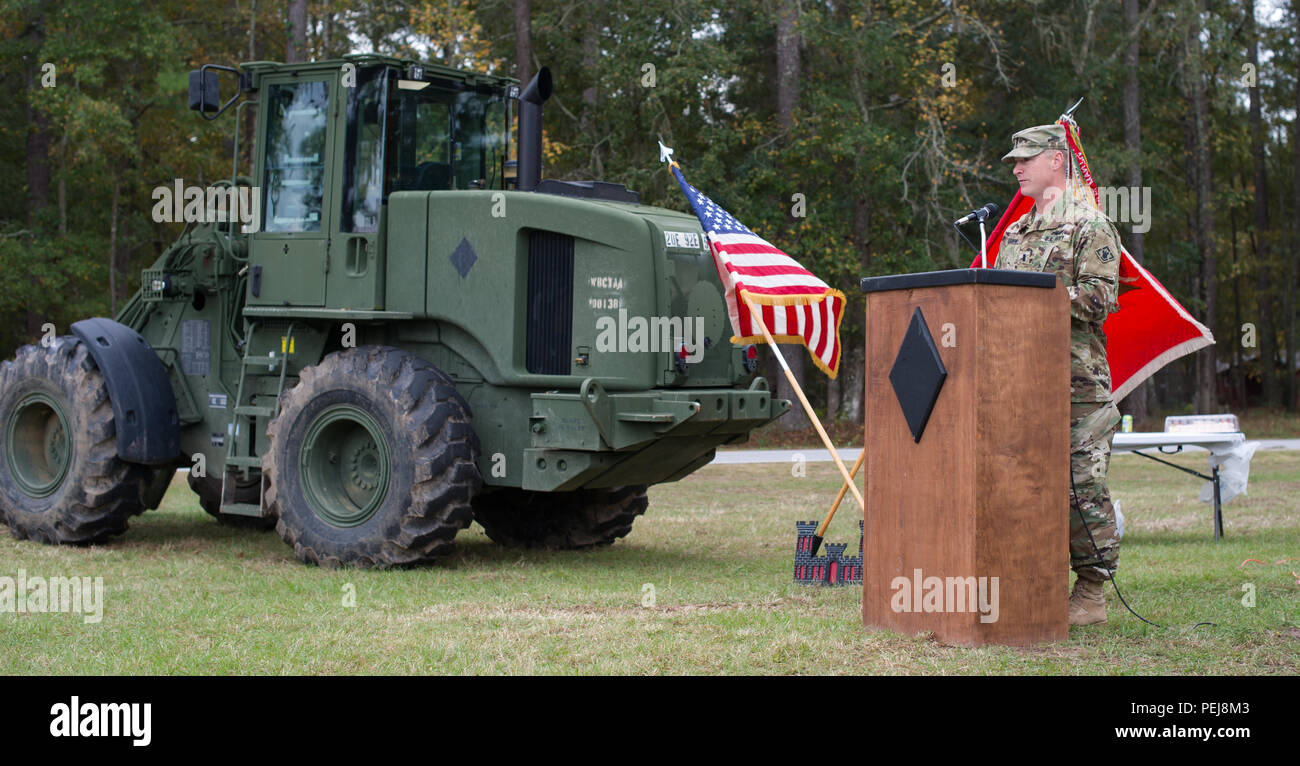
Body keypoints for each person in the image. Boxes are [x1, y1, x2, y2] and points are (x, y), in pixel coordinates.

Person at [995, 123, 1122, 626]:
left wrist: (1035, 301)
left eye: (1025, 158)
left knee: (1080, 490)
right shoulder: (1014, 232)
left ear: (1056, 160)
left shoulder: (1090, 225)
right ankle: (1030, 581)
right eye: (1014, 161)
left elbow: (1100, 299)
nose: (1017, 168)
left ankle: (1091, 595)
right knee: (1023, 482)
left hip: (1077, 385)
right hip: (1019, 383)